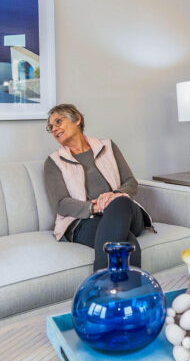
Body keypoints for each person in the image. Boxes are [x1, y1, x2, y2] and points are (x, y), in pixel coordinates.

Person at [43, 104, 152, 270]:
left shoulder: (107, 146)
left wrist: (114, 196)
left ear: (77, 119)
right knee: (127, 243)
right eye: (50, 127)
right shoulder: (53, 162)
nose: (54, 129)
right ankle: (129, 291)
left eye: (58, 121)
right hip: (85, 221)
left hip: (124, 212)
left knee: (120, 202)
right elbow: (61, 203)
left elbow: (130, 181)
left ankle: (98, 284)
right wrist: (94, 207)